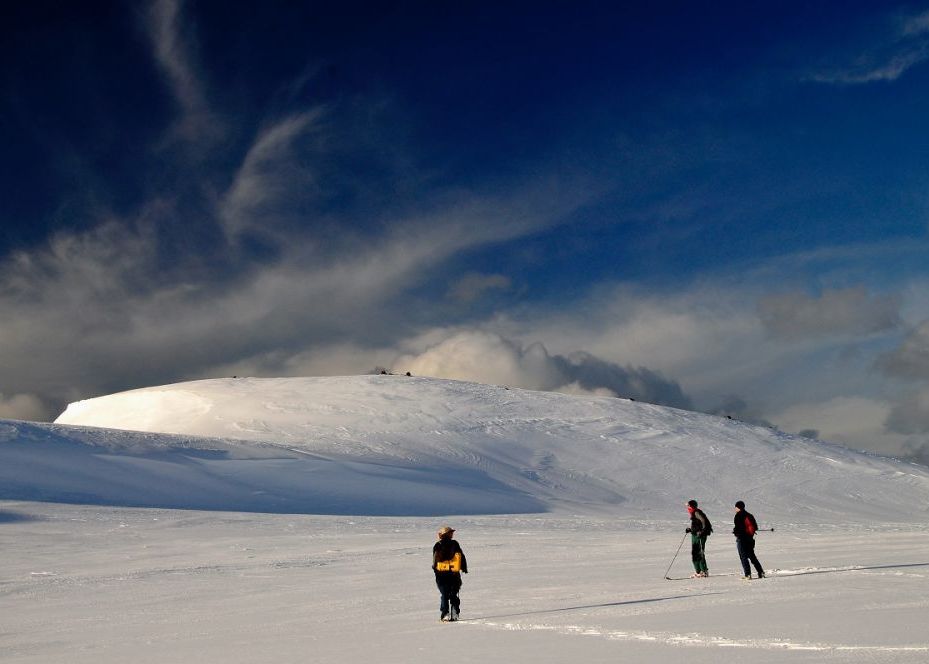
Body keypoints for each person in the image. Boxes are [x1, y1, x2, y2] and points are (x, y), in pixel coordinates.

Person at [432, 525, 468, 622]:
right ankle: (455, 612)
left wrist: (435, 570)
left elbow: (435, 561)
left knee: (444, 594)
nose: (452, 534)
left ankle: (445, 614)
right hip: (454, 574)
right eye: (451, 532)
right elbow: (461, 556)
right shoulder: (455, 544)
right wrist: (464, 568)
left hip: (441, 575)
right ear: (447, 534)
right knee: (453, 594)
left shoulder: (437, 545)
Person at [733, 500, 765, 579]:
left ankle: (747, 574)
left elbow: (738, 528)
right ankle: (761, 572)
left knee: (743, 557)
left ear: (739, 507)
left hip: (742, 538)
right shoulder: (749, 515)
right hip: (750, 538)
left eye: (736, 507)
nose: (735, 508)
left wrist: (735, 532)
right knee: (752, 556)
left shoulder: (738, 515)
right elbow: (755, 527)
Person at [685, 499, 711, 577]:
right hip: (695, 535)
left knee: (699, 553)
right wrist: (691, 530)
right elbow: (697, 524)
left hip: (700, 536)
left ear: (692, 506)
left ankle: (704, 571)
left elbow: (704, 522)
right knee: (695, 553)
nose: (688, 507)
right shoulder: (693, 513)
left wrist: (702, 531)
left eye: (689, 506)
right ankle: (698, 572)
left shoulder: (696, 512)